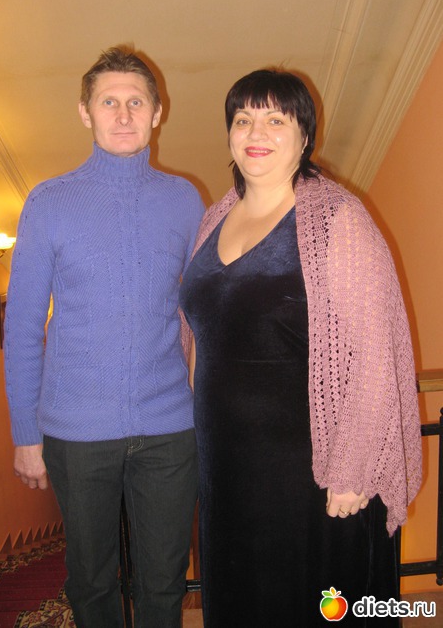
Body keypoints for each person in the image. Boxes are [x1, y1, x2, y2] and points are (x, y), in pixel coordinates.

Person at [179, 69, 422, 627]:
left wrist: (353, 468)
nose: (255, 132)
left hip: (309, 468)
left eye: (275, 119)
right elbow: (203, 330)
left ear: (304, 135)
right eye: (243, 119)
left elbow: (376, 353)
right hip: (226, 466)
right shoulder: (214, 218)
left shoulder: (337, 218)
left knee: (309, 603)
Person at [4, 45, 205, 628]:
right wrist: (26, 433)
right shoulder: (48, 202)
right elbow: (22, 327)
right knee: (91, 582)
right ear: (84, 112)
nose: (123, 114)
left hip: (170, 427)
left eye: (136, 102)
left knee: (163, 582)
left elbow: (203, 310)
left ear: (158, 113)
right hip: (75, 433)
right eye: (108, 102)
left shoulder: (185, 199)